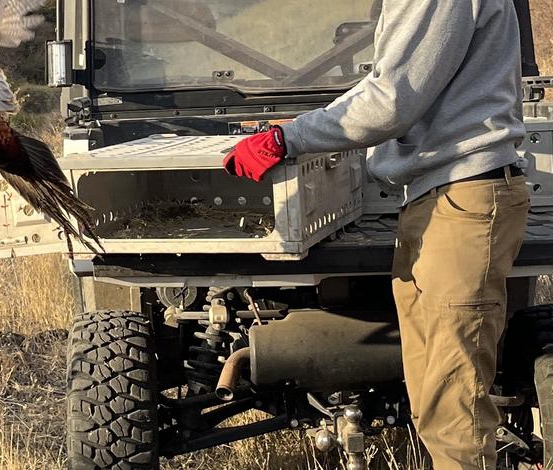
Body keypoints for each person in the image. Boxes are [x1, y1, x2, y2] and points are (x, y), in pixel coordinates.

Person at [222, 1, 531, 469]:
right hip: (441, 194)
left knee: (453, 403)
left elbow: (390, 101)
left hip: (461, 195)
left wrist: (288, 138)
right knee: (432, 394)